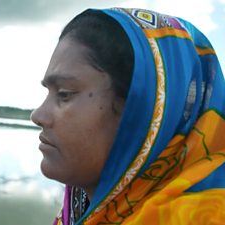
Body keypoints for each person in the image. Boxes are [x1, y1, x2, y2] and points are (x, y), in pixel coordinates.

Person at [31, 8, 225, 225]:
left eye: (65, 94)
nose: (38, 116)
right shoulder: (80, 214)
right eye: (48, 92)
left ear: (143, 110)